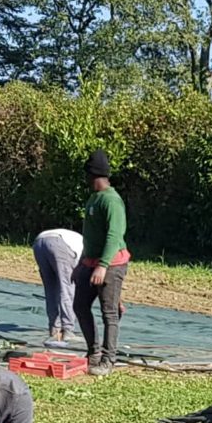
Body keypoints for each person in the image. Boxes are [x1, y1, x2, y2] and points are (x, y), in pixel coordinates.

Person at [74, 149, 129, 374]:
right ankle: (93, 352)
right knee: (80, 305)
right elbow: (92, 236)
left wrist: (103, 266)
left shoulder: (111, 201)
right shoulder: (93, 198)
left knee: (109, 313)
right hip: (91, 262)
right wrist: (82, 263)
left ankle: (108, 360)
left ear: (93, 175)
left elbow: (113, 236)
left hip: (111, 264)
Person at [32, 224, 83, 342]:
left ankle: (54, 329)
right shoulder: (86, 249)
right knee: (67, 288)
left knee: (50, 288)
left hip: (39, 242)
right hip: (59, 243)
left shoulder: (78, 240)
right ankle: (68, 329)